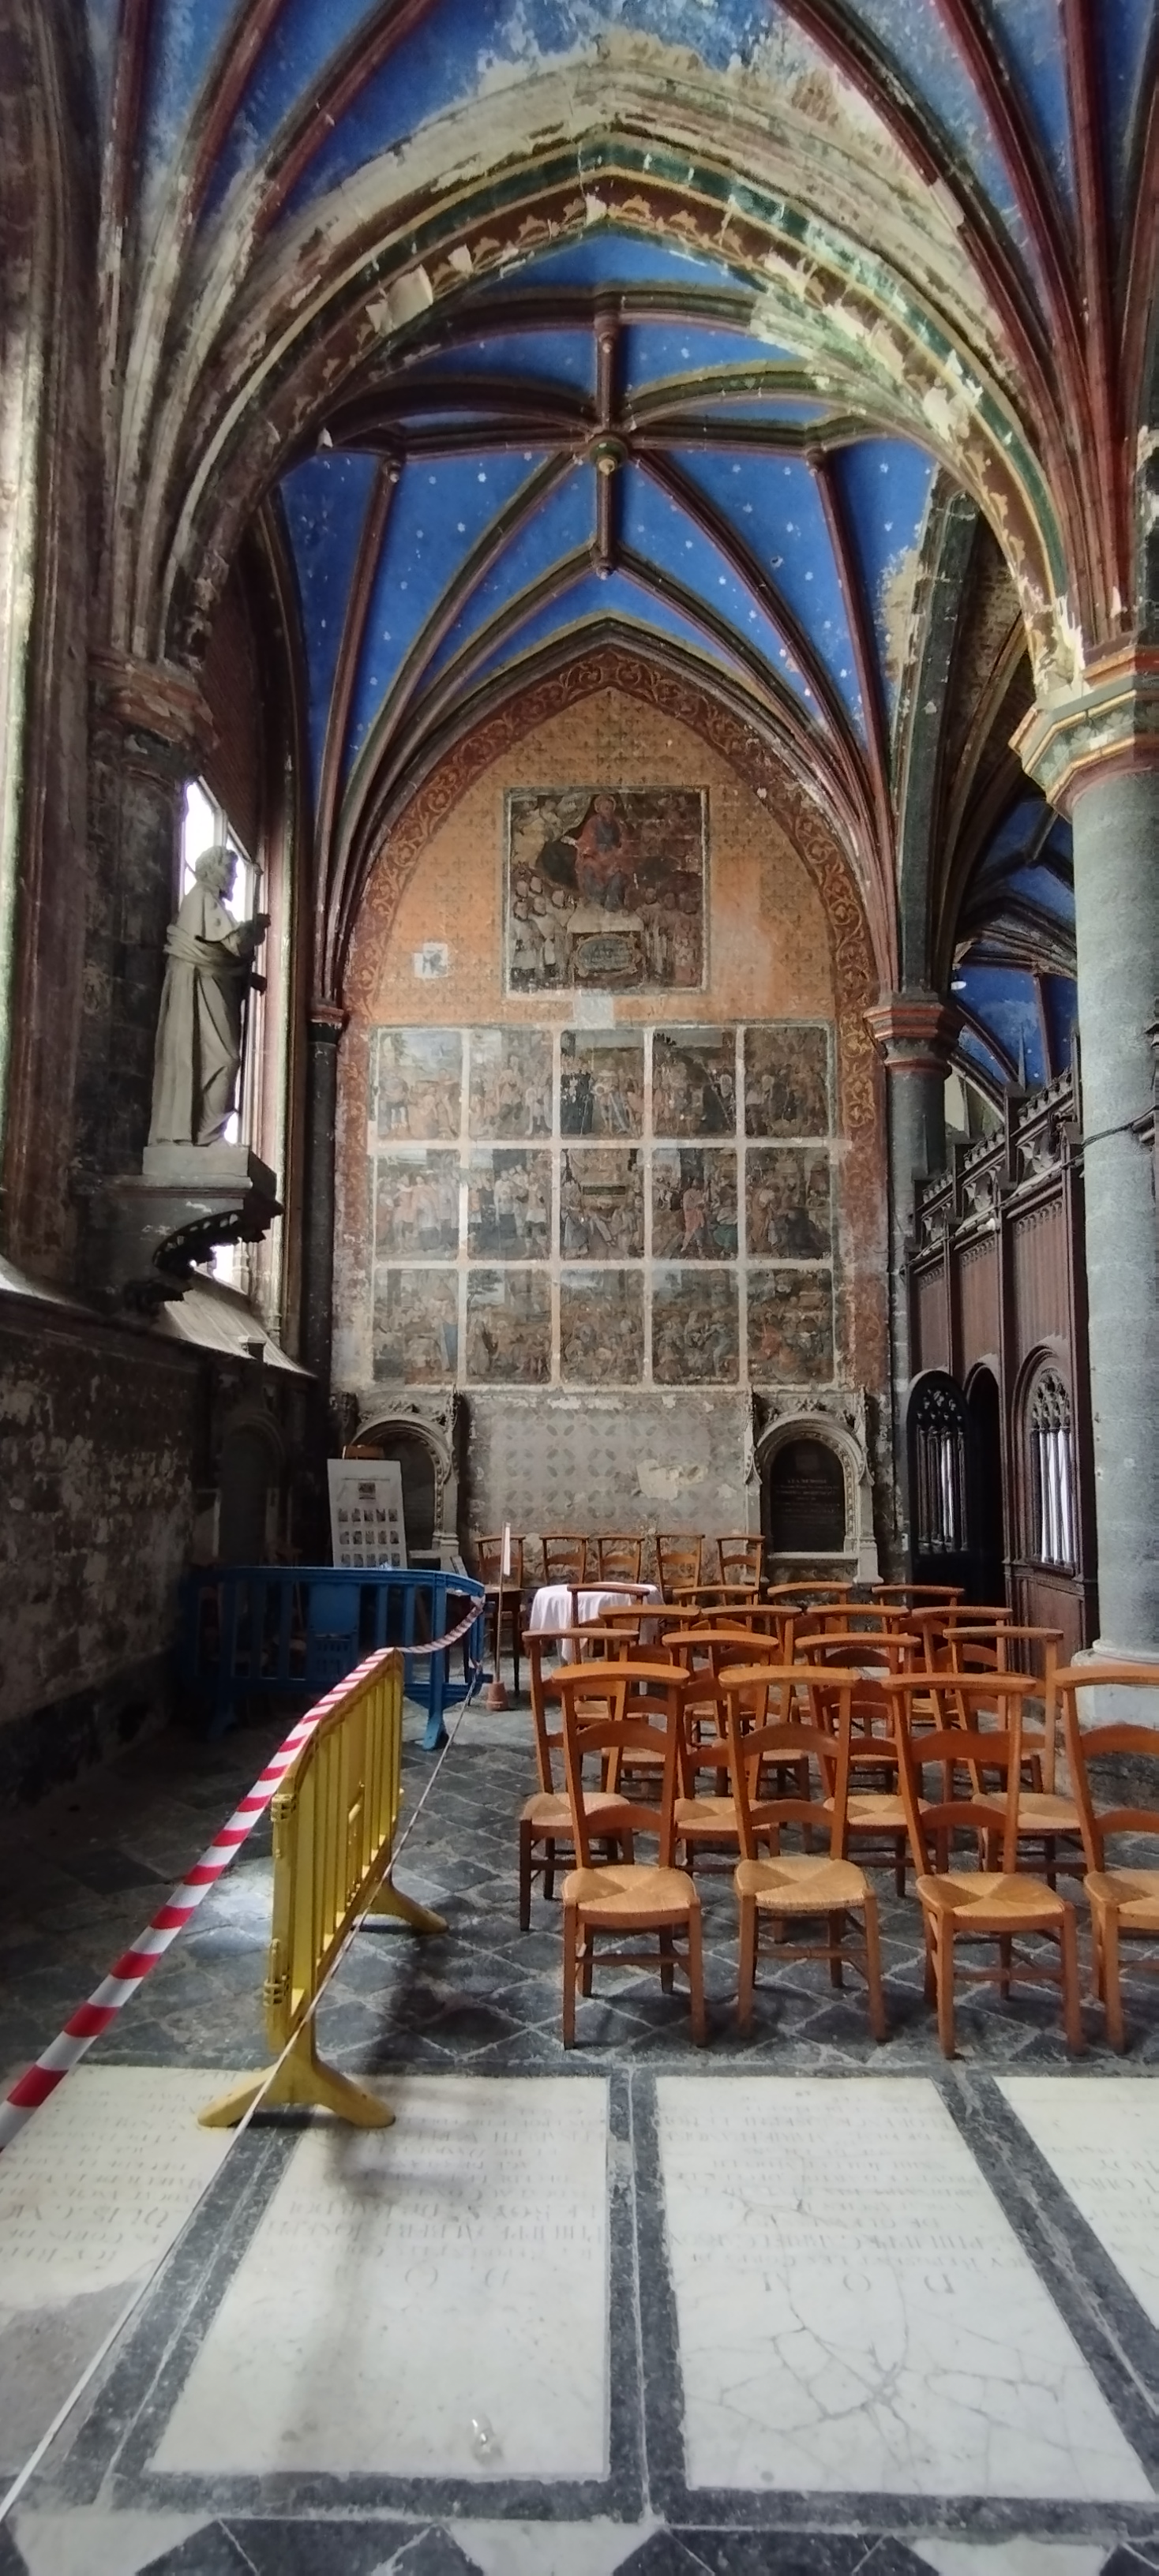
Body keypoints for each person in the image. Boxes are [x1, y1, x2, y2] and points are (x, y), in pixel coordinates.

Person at [149, 845, 268, 1146]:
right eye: (229, 870)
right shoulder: (201, 898)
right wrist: (254, 929)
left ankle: (208, 1134)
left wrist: (245, 972)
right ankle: (208, 1135)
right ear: (210, 870)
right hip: (197, 986)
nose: (233, 877)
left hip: (209, 984)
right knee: (225, 1059)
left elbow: (220, 955)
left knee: (222, 1059)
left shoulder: (211, 902)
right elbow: (232, 945)